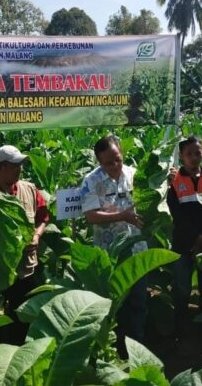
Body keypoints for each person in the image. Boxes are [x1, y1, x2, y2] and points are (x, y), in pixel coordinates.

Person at [0, 145, 49, 343]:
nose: (19, 169)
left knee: (22, 321)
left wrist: (37, 236)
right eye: (15, 165)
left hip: (24, 269)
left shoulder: (30, 190)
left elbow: (43, 218)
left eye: (20, 165)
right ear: (0, 167)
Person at [80, 135, 147, 353]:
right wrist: (122, 216)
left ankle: (136, 349)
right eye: (108, 162)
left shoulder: (134, 174)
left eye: (117, 159)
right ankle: (116, 349)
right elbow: (91, 216)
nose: (115, 165)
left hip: (137, 249)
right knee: (115, 306)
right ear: (99, 161)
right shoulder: (91, 181)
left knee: (138, 302)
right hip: (110, 253)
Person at [166, 136, 202, 351]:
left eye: (197, 152)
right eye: (188, 154)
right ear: (181, 156)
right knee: (182, 290)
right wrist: (196, 238)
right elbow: (177, 215)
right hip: (183, 244)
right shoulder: (173, 181)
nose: (193, 157)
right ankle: (181, 332)